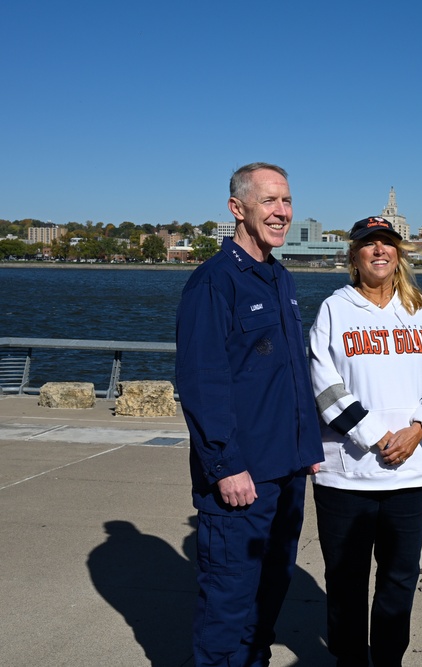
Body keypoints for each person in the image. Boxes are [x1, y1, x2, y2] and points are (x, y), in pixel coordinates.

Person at [175, 162, 324, 666]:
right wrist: (226, 465)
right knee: (229, 608)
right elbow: (202, 382)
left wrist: (307, 450)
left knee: (267, 603)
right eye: (269, 202)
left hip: (286, 474)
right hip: (241, 479)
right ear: (237, 209)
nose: (282, 212)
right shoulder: (213, 283)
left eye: (286, 202)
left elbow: (287, 373)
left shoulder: (279, 279)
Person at [309, 216, 422, 667]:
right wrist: (374, 436)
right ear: (353, 256)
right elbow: (323, 383)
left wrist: (418, 430)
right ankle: (350, 660)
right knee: (346, 580)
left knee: (399, 579)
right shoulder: (335, 309)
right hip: (346, 476)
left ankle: (389, 659)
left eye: (387, 244)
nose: (379, 251)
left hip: (411, 473)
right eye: (369, 244)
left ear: (399, 253)